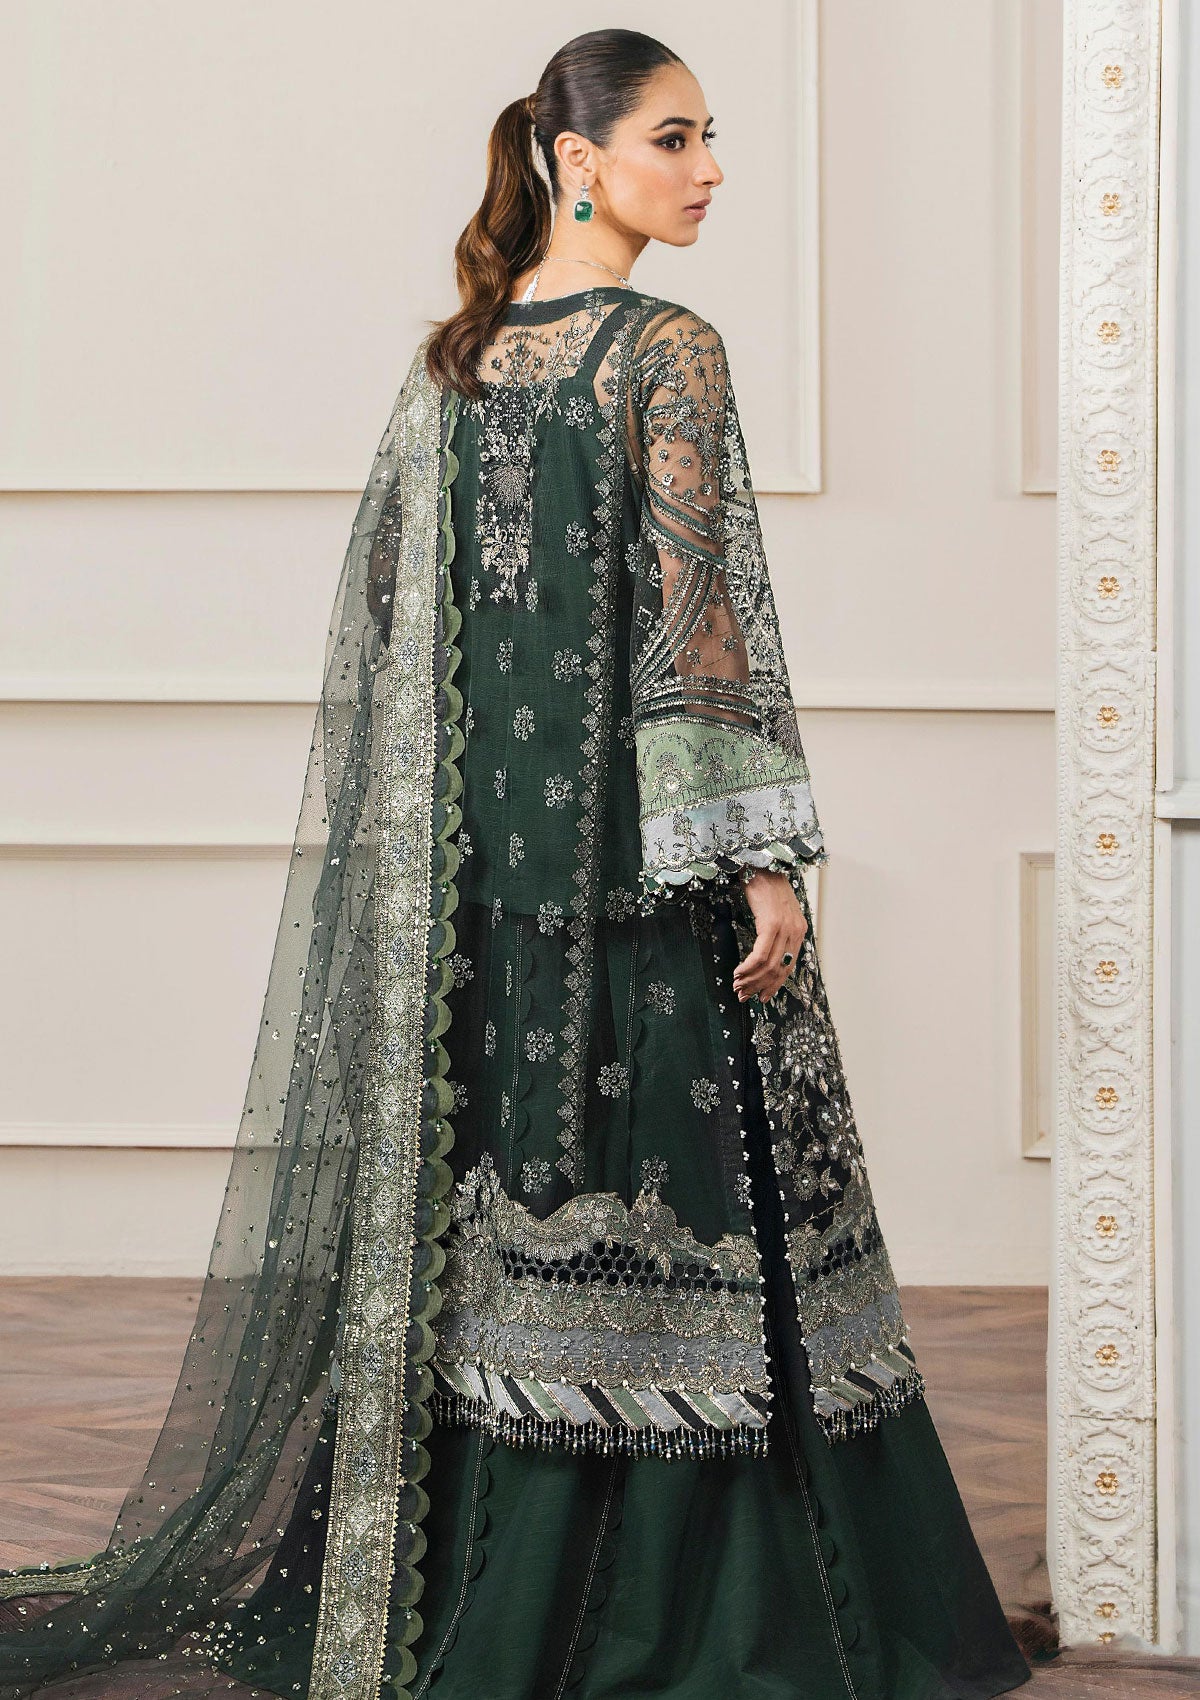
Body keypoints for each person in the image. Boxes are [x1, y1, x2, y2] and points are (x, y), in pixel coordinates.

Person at [0, 27, 1033, 1700]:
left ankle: (498, 1595)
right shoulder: (668, 351)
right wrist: (759, 858)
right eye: (676, 139)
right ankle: (710, 1619)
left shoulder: (456, 364)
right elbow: (701, 618)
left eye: (712, 138)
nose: (710, 171)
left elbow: (405, 629)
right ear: (578, 159)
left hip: (483, 887)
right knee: (695, 1190)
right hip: (646, 869)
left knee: (516, 1199)